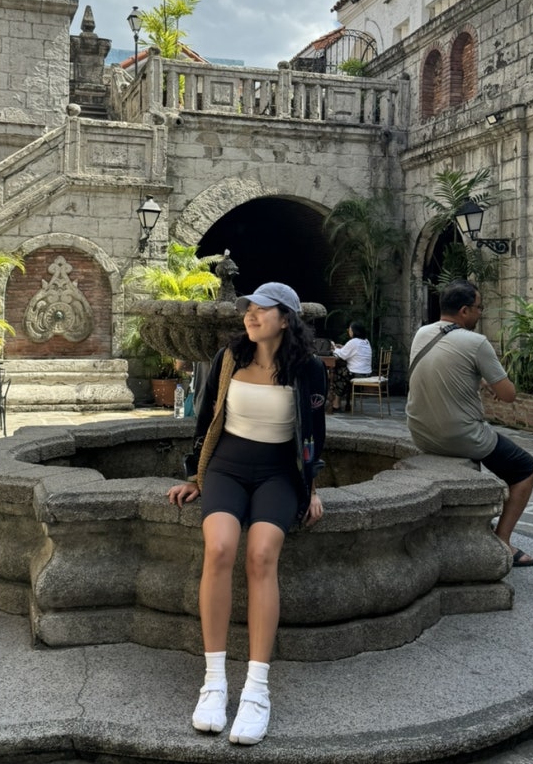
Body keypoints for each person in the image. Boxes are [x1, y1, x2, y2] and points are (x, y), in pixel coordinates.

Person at [167, 282, 327, 745]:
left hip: (279, 473)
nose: (251, 316)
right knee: (219, 548)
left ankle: (257, 690)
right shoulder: (229, 358)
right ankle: (214, 683)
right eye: (248, 309)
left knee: (261, 555)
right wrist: (195, 476)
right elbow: (205, 420)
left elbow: (314, 432)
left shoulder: (308, 368)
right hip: (227, 468)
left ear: (286, 318)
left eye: (262, 309)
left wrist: (312, 486)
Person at [406, 279, 533, 568]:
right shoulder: (476, 342)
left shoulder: (421, 333)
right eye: (479, 308)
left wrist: (480, 380)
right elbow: (509, 395)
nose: (481, 313)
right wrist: (494, 382)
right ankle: (502, 541)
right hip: (459, 436)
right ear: (464, 311)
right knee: (525, 468)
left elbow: (447, 371)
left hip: (420, 432)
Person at [330, 321, 372, 412]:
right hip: (365, 373)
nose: (348, 331)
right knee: (342, 371)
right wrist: (342, 347)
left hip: (356, 374)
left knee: (338, 373)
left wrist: (334, 348)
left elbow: (342, 355)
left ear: (353, 331)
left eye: (349, 329)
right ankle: (343, 403)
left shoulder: (353, 342)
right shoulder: (366, 341)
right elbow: (353, 350)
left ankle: (336, 404)